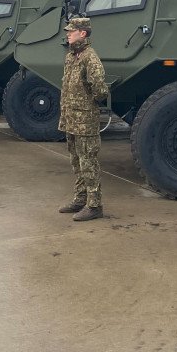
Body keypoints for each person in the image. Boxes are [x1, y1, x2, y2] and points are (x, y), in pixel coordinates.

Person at [57, 17, 108, 222]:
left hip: (85, 120)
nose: (68, 34)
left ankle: (94, 205)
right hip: (71, 118)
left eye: (72, 31)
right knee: (76, 161)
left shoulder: (90, 57)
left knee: (88, 162)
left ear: (83, 33)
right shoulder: (71, 57)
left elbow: (100, 90)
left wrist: (87, 103)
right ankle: (80, 199)